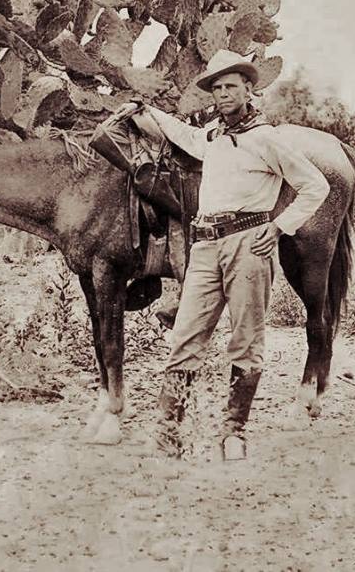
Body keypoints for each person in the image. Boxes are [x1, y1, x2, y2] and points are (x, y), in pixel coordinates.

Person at [126, 49, 330, 460]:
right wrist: (143, 109)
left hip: (247, 244)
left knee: (245, 339)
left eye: (230, 87)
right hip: (204, 247)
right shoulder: (213, 138)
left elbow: (316, 186)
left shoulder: (267, 138)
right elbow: (181, 134)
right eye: (217, 88)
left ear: (248, 89)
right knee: (185, 337)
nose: (223, 94)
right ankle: (169, 435)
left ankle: (233, 433)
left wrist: (278, 227)